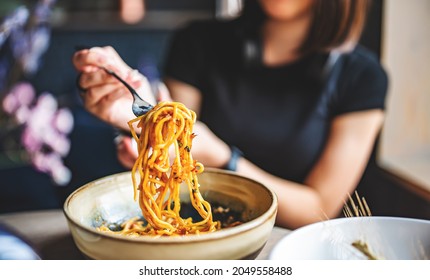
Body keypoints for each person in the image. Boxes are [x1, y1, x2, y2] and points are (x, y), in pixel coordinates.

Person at [73, 0, 388, 230]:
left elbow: (318, 208)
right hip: (194, 234)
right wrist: (141, 120)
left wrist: (223, 157)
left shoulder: (363, 76)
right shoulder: (196, 41)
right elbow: (177, 146)